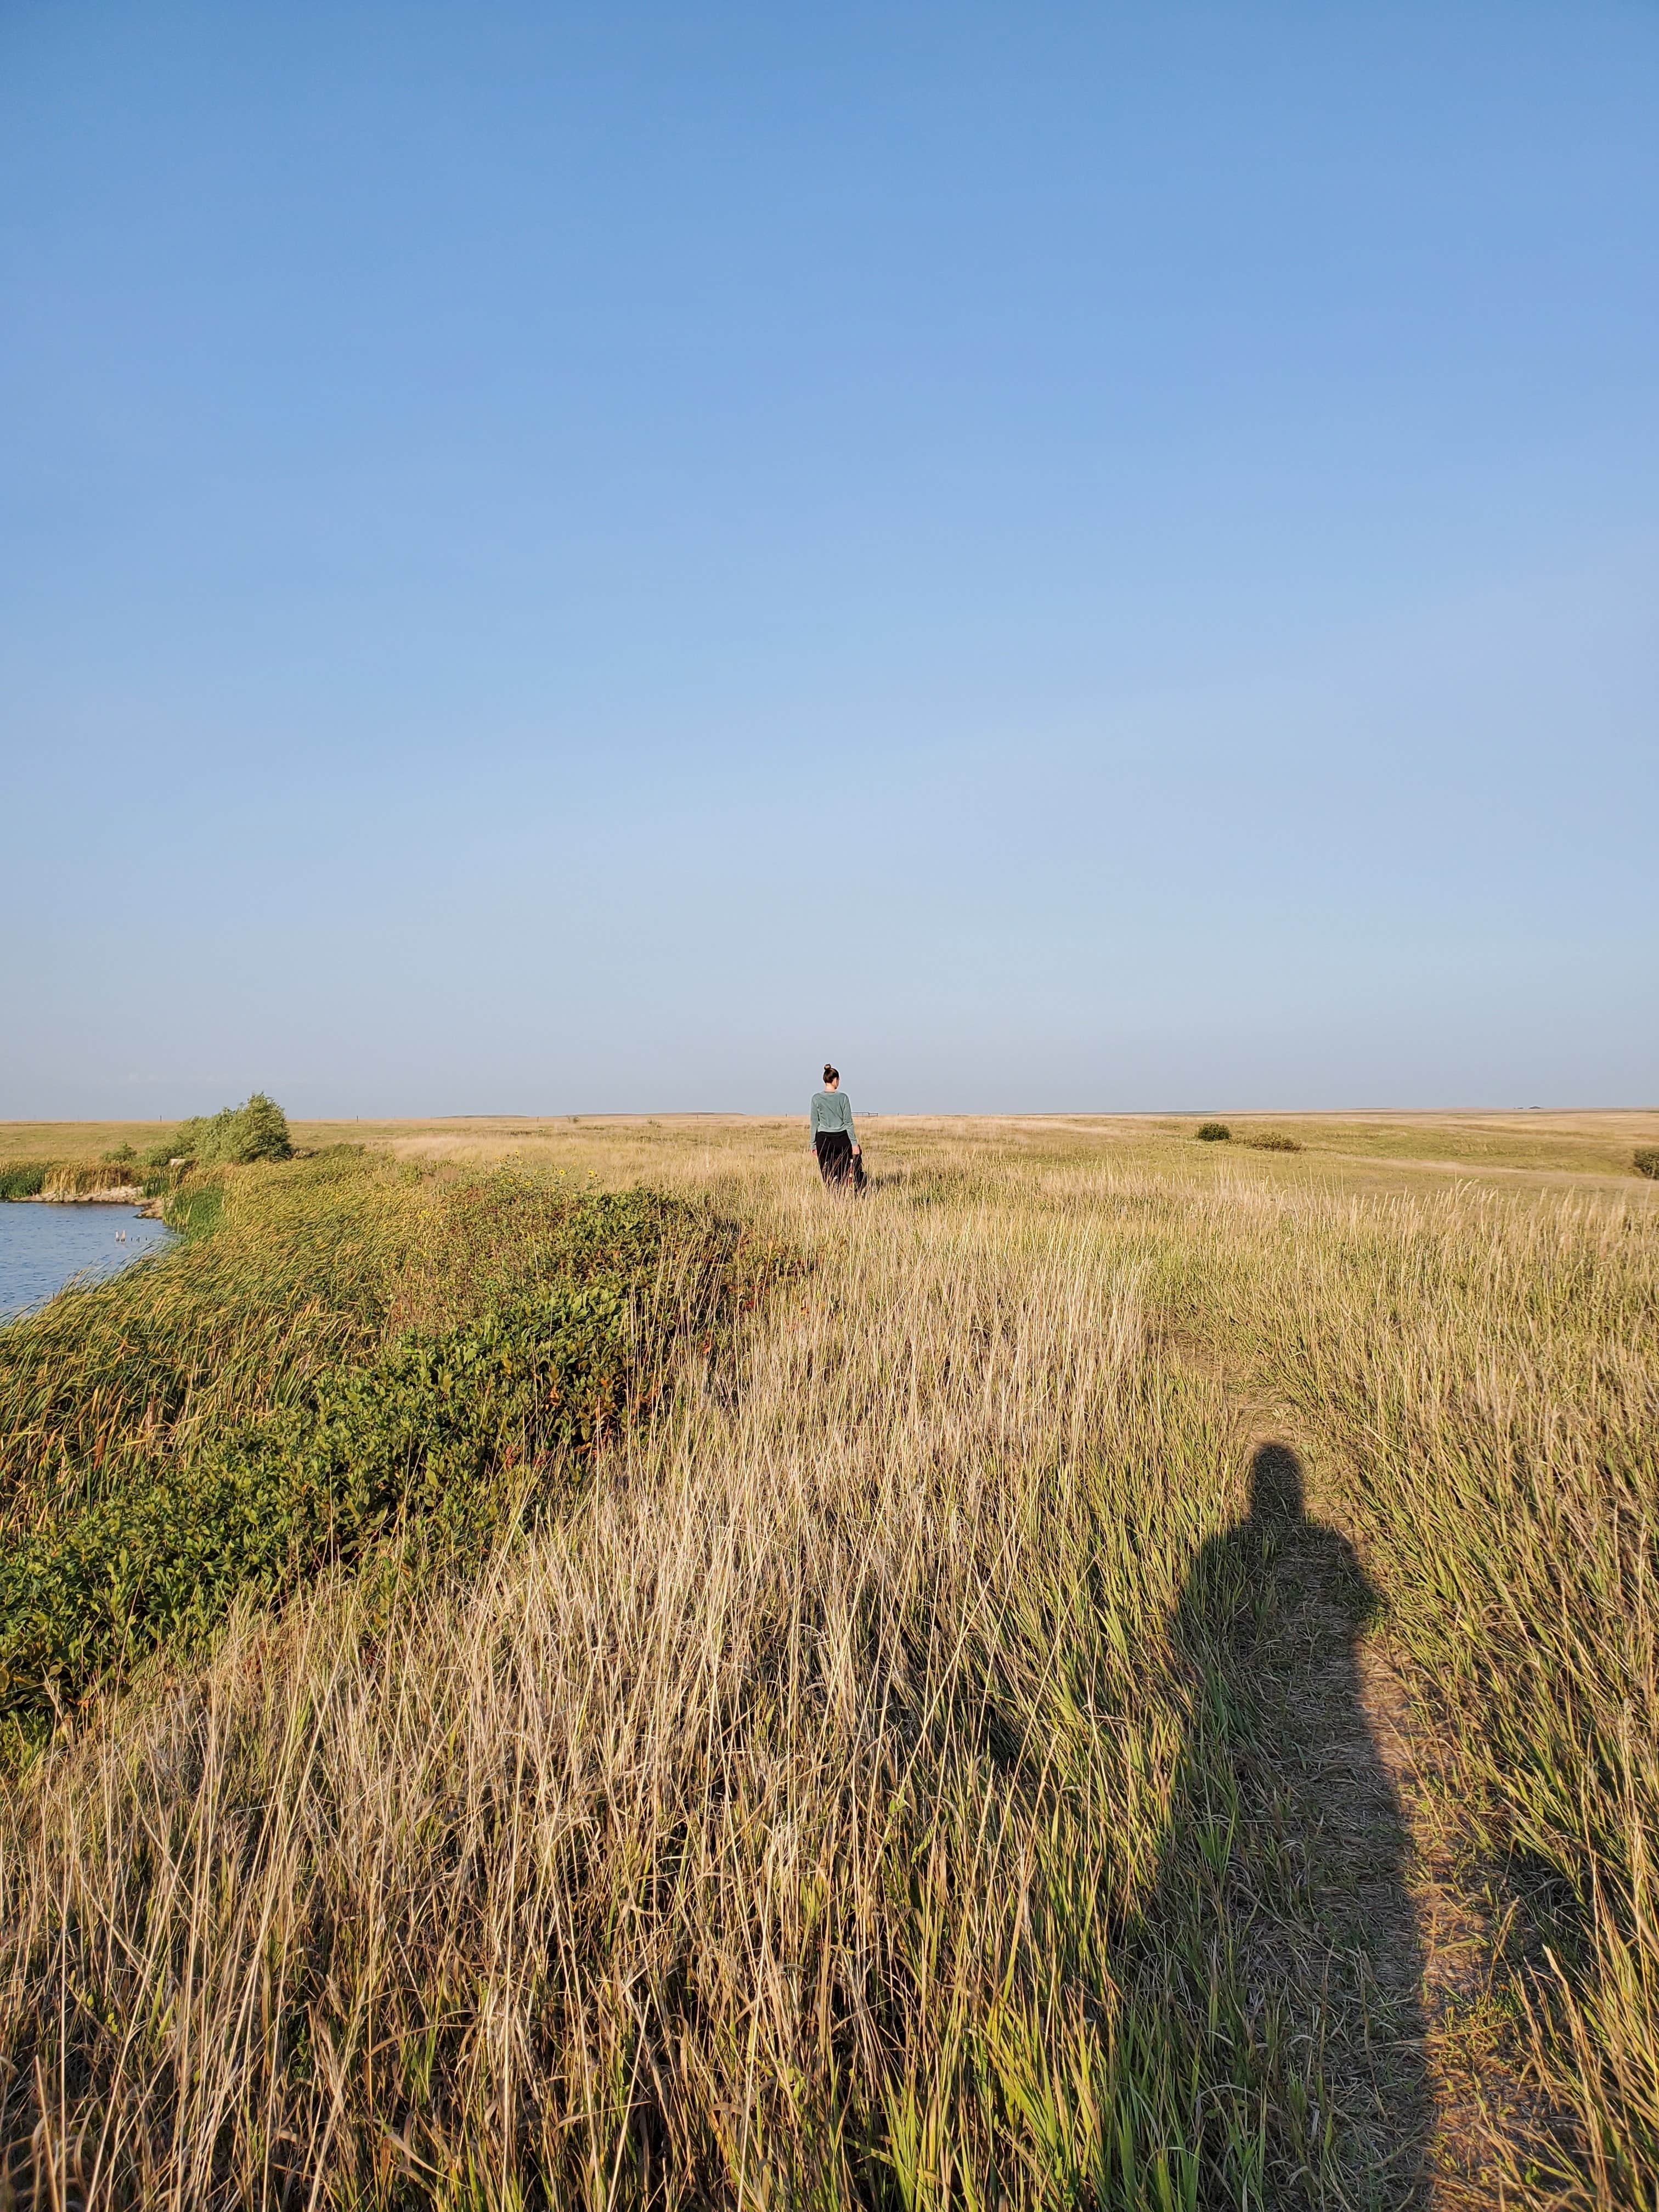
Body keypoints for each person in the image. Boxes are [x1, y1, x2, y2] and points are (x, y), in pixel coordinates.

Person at [809, 1064, 865, 1192]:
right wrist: (854, 1144)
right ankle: (843, 1198)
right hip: (841, 1139)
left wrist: (813, 1144)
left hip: (823, 1139)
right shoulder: (843, 1098)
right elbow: (848, 1123)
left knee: (827, 1174)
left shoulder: (816, 1098)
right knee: (843, 1174)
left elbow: (814, 1123)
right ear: (836, 1080)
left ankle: (832, 1199)